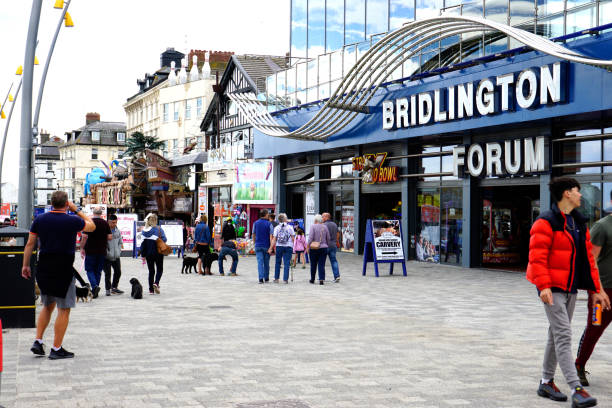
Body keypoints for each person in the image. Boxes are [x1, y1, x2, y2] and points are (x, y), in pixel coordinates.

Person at [527, 177, 610, 407]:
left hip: (571, 289)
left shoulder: (578, 223)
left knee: (555, 334)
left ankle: (546, 381)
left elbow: (589, 261)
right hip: (552, 289)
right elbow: (536, 258)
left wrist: (596, 289)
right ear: (566, 193)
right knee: (563, 335)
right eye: (577, 190)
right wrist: (543, 286)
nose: (581, 195)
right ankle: (576, 389)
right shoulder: (545, 222)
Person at [22, 191, 95, 359]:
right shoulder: (72, 220)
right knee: (64, 308)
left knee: (47, 306)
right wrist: (76, 210)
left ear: (52, 203)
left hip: (44, 267)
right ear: (66, 203)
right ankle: (56, 348)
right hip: (63, 268)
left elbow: (30, 243)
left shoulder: (40, 220)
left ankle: (38, 341)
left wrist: (25, 265)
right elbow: (91, 225)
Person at [575, 208, 612, 386]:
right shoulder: (602, 227)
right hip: (602, 291)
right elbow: (591, 259)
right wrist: (596, 289)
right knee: (594, 328)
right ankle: (579, 365)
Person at [80, 207, 112, 299]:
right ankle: (95, 289)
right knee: (98, 271)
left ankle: (94, 286)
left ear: (93, 213)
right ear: (101, 213)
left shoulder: (89, 223)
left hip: (90, 250)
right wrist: (101, 238)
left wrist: (82, 247)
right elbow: (110, 237)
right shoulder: (105, 223)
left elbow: (85, 236)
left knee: (89, 269)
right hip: (102, 250)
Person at [140, 213, 167, 294]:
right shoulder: (159, 229)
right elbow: (165, 239)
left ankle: (151, 290)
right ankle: (156, 283)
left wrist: (143, 255)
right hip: (158, 253)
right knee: (160, 269)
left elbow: (143, 244)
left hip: (148, 254)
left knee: (151, 271)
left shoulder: (144, 231)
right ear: (156, 220)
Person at [269, 213, 295, 283]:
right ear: (285, 219)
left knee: (277, 262)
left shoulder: (277, 228)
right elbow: (293, 238)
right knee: (286, 263)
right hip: (288, 246)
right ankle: (285, 279)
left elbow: (274, 239)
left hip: (279, 246)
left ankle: (276, 278)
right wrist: (294, 247)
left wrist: (271, 248)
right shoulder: (290, 227)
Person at [306, 214, 331, 285]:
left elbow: (310, 238)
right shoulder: (325, 227)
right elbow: (328, 238)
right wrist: (326, 245)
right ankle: (321, 279)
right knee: (321, 264)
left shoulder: (313, 226)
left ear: (316, 220)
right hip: (323, 248)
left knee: (313, 264)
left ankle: (312, 279)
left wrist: (307, 247)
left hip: (314, 248)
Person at [103, 214, 124, 296]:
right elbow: (103, 243)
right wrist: (107, 252)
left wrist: (119, 251)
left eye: (115, 222)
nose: (114, 224)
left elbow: (120, 242)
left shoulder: (117, 230)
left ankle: (114, 287)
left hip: (116, 256)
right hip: (107, 257)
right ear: (108, 222)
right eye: (112, 222)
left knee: (118, 272)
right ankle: (107, 289)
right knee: (108, 273)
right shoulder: (105, 230)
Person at [253, 209, 272, 283]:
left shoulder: (255, 223)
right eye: (268, 214)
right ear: (265, 215)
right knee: (266, 263)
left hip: (258, 245)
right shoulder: (269, 224)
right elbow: (271, 235)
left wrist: (255, 243)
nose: (268, 215)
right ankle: (266, 277)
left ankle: (260, 278)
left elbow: (253, 234)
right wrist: (271, 247)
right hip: (266, 246)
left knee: (260, 263)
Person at [322, 212, 341, 283]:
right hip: (333, 245)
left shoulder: (323, 225)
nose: (322, 218)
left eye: (322, 217)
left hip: (325, 245)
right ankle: (337, 276)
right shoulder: (334, 224)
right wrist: (336, 241)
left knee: (322, 262)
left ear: (326, 217)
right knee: (334, 261)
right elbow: (338, 233)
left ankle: (322, 277)